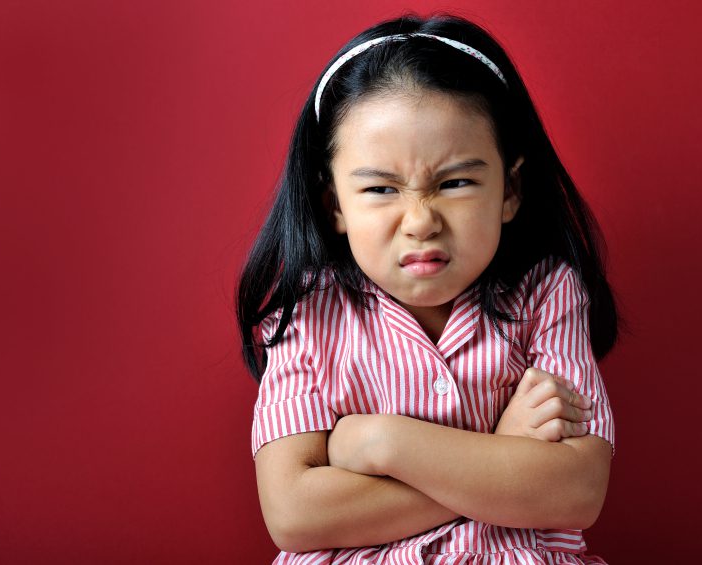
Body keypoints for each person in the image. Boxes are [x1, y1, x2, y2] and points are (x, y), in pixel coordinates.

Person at [236, 12, 621, 565]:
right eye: (379, 188)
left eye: (456, 182)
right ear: (335, 205)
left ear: (509, 190)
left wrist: (380, 444)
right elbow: (295, 514)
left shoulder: (547, 293)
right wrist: (502, 458)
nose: (420, 220)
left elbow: (575, 492)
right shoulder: (307, 312)